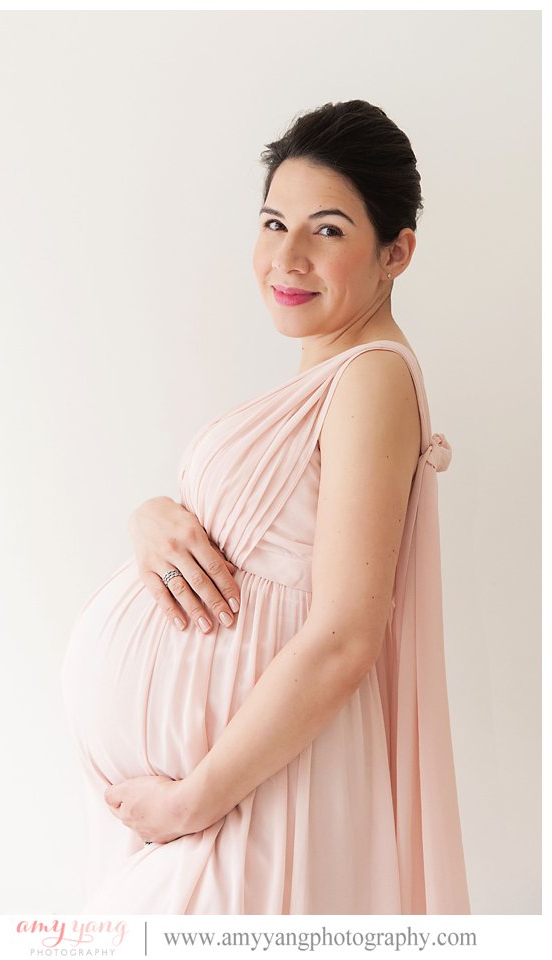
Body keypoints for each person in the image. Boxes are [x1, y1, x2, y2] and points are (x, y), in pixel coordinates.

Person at [61, 99, 471, 915]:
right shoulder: (328, 378)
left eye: (325, 230)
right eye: (271, 221)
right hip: (228, 804)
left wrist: (191, 801)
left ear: (397, 252)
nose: (285, 258)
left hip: (251, 804)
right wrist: (151, 518)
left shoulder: (371, 378)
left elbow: (346, 633)